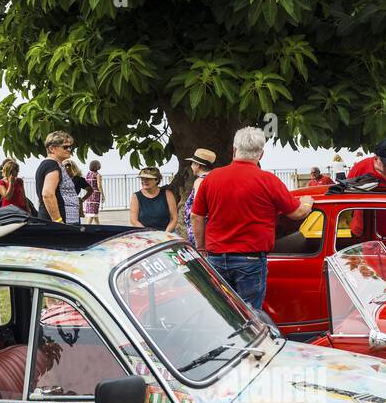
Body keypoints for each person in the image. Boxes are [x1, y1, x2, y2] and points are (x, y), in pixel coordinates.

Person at [191, 125, 312, 308]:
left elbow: (196, 216)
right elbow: (297, 213)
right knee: (250, 314)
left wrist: (201, 247)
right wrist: (307, 202)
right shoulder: (268, 180)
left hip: (215, 257)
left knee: (222, 313)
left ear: (234, 150)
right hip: (250, 260)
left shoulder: (212, 178)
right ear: (261, 154)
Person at [35, 130, 82, 224]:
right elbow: (47, 194)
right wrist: (58, 221)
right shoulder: (51, 165)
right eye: (65, 147)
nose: (69, 149)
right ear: (52, 148)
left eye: (70, 146)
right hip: (59, 222)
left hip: (66, 221)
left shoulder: (55, 165)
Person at [129, 166, 178, 232]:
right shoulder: (136, 196)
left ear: (157, 180)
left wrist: (166, 233)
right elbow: (133, 220)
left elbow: (174, 218)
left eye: (148, 179)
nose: (144, 181)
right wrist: (148, 233)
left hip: (166, 232)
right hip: (144, 233)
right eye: (142, 179)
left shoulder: (167, 194)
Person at [183, 148, 216, 243]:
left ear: (197, 165)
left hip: (199, 231)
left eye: (192, 163)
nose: (191, 166)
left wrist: (199, 243)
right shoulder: (214, 179)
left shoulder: (200, 181)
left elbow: (199, 208)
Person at [83, 160, 104, 225]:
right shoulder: (97, 175)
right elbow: (99, 186)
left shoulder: (88, 174)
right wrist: (103, 195)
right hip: (95, 195)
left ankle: (99, 226)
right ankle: (87, 227)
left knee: (92, 212)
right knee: (93, 213)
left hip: (89, 194)